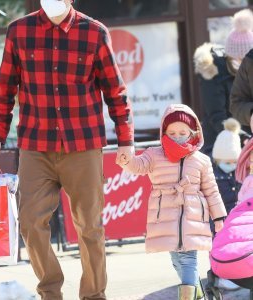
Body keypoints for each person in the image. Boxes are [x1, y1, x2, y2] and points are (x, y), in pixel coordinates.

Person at [0, 0, 135, 299]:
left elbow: (115, 91)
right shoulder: (19, 31)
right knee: (29, 223)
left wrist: (125, 140)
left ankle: (93, 295)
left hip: (83, 145)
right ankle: (50, 291)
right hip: (35, 145)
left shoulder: (94, 32)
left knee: (90, 227)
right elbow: (5, 87)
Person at [118, 103, 227, 300]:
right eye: (172, 132)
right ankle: (200, 295)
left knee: (188, 260)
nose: (177, 136)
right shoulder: (154, 154)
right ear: (164, 132)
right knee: (177, 260)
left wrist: (218, 217)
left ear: (193, 132)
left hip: (193, 215)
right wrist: (126, 159)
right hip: (166, 215)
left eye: (182, 132)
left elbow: (211, 190)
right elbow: (138, 166)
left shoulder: (201, 160)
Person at [194, 8, 253, 154]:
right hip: (219, 144)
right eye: (239, 59)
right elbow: (216, 116)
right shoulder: (213, 72)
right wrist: (241, 137)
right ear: (230, 56)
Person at [209, 118, 242, 291]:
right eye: (226, 161)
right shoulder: (213, 175)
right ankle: (219, 277)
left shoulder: (241, 174)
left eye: (234, 162)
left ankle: (234, 275)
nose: (230, 165)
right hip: (219, 219)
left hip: (235, 220)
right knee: (218, 249)